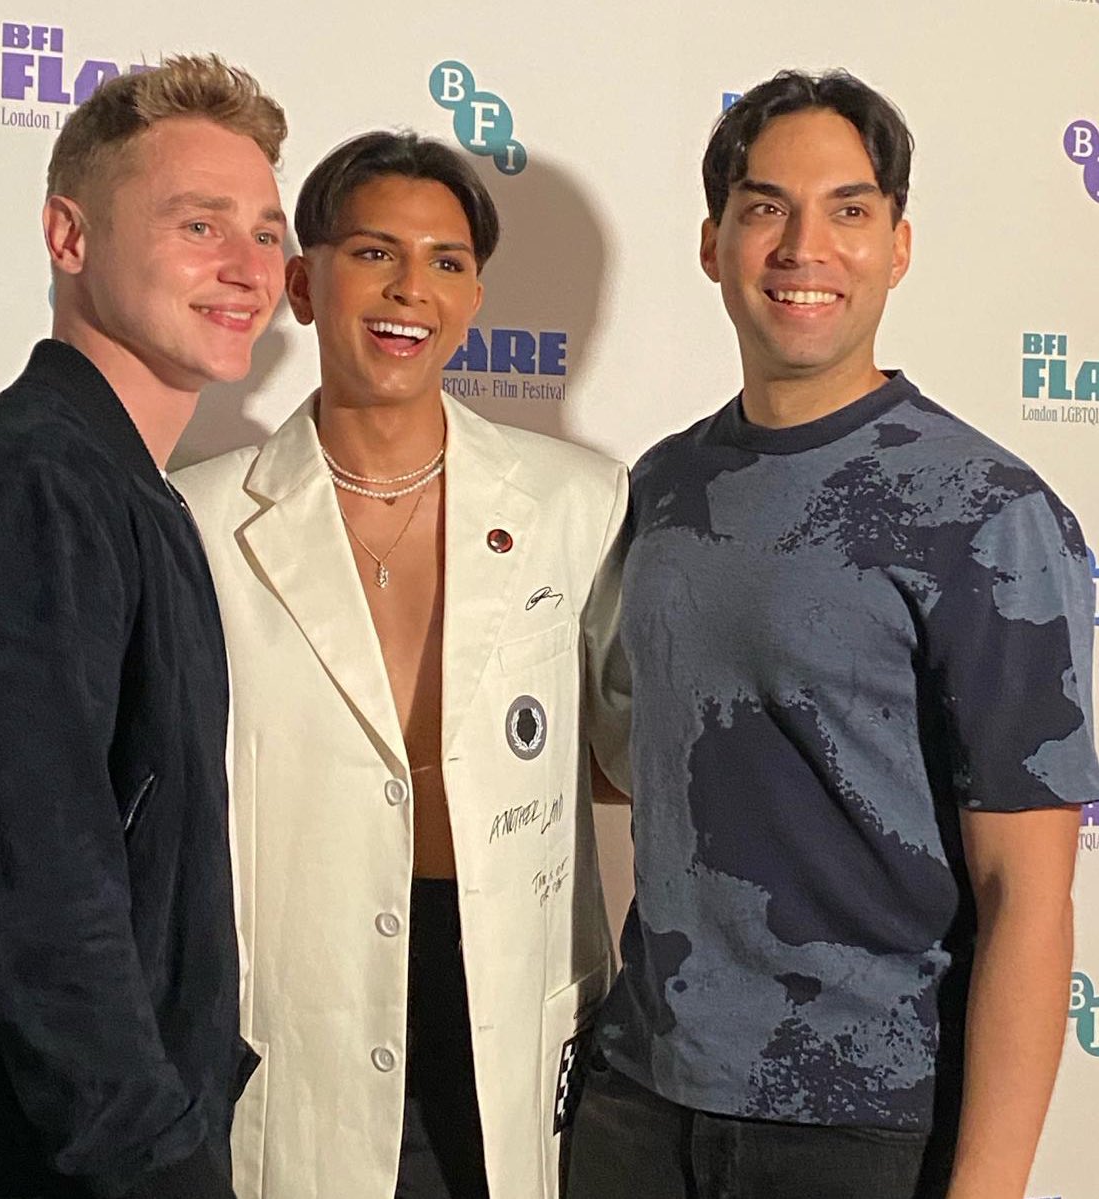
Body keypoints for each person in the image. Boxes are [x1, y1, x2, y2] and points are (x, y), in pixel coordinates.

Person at [567, 69, 1099, 1199]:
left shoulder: (982, 513)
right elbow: (626, 761)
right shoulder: (659, 486)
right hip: (636, 1102)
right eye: (764, 207)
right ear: (712, 243)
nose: (803, 245)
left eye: (848, 210)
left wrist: (988, 1182)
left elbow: (1028, 892)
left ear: (896, 246)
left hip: (862, 1132)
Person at [173, 130, 629, 1199]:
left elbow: (627, 755)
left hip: (510, 1007)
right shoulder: (193, 518)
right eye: (374, 252)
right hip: (298, 1016)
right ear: (301, 280)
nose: (409, 289)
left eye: (445, 261)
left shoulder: (580, 504)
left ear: (473, 296)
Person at [0, 55, 287, 1198]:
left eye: (265, 232)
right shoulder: (39, 489)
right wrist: (160, 1160)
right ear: (69, 238)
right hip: (43, 1161)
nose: (245, 268)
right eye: (198, 223)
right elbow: (38, 886)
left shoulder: (118, 483)